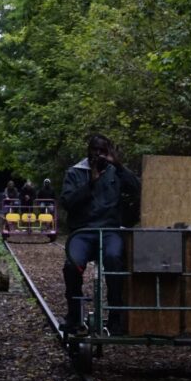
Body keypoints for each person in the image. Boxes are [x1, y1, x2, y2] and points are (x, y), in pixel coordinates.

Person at [60, 134, 141, 334]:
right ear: (88, 151)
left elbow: (137, 189)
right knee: (72, 264)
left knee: (115, 260)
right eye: (94, 150)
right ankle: (75, 315)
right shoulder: (76, 172)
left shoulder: (115, 172)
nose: (98, 155)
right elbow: (67, 202)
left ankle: (115, 317)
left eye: (103, 151)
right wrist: (91, 184)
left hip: (109, 230)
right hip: (83, 231)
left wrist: (119, 166)